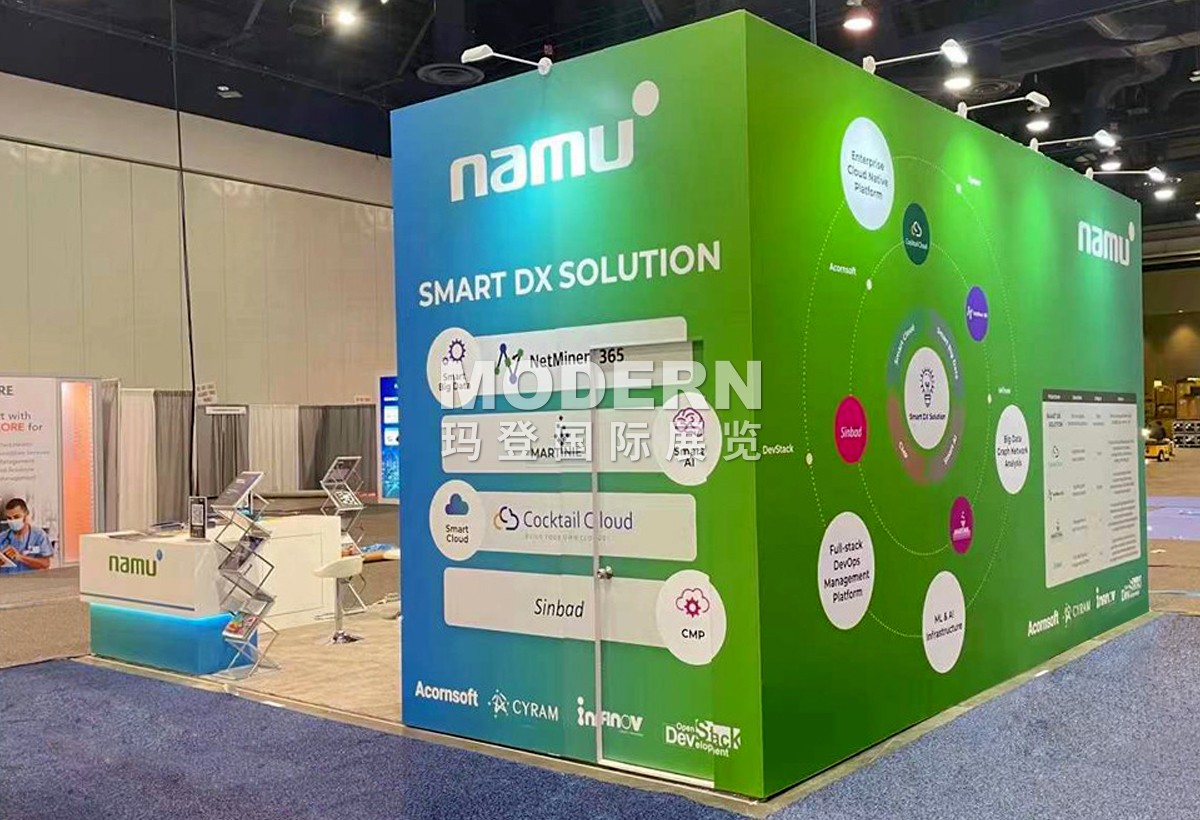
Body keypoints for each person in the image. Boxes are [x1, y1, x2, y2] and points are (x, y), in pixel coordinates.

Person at [0, 498, 54, 574]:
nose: (12, 521)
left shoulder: (39, 536)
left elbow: (46, 564)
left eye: (16, 517)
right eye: (9, 518)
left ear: (26, 515)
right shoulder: (2, 537)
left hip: (29, 580)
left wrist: (20, 557)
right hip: (7, 580)